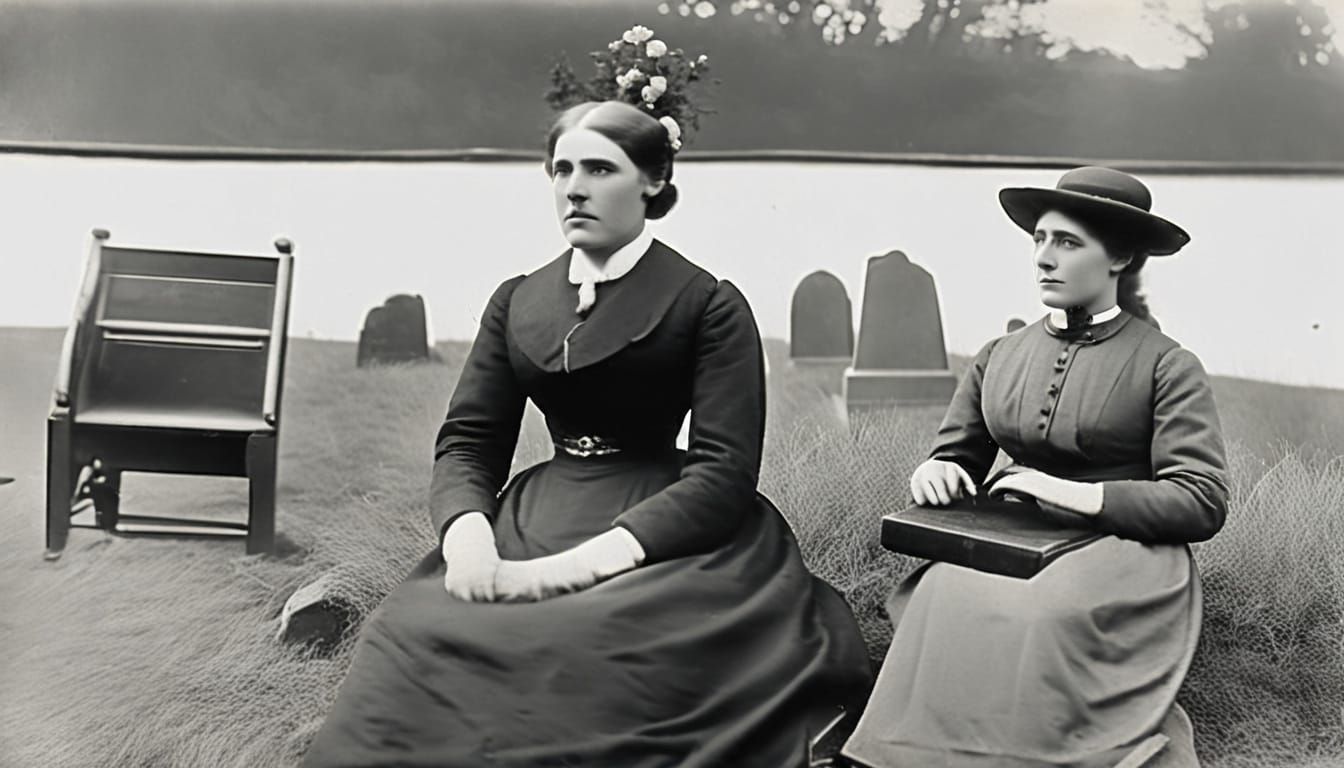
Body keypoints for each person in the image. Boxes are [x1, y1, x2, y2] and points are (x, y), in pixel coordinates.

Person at [303, 100, 873, 768]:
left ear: (654, 181)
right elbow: (469, 441)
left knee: (597, 642)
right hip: (542, 506)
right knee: (415, 630)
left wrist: (558, 575)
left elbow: (723, 472)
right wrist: (468, 542)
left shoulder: (707, 302)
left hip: (669, 526)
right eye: (561, 169)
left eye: (600, 168)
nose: (574, 187)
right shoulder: (518, 299)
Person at [842, 167, 1229, 768]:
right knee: (946, 590)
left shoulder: (1168, 365)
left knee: (1043, 613)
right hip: (1012, 538)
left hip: (1123, 548)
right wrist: (936, 470)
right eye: (1039, 240)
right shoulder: (1001, 355)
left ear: (1120, 258)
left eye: (1068, 243)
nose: (1045, 258)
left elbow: (1200, 500)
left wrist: (1078, 496)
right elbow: (957, 451)